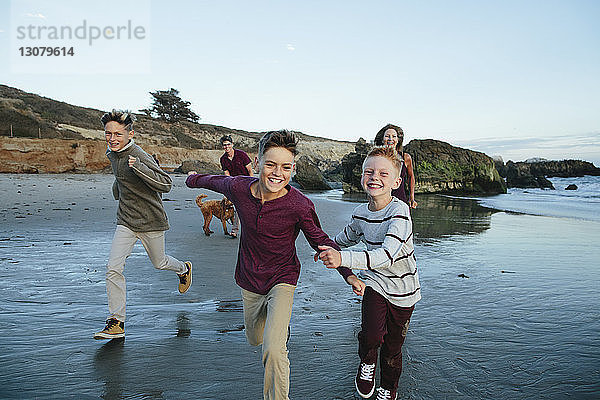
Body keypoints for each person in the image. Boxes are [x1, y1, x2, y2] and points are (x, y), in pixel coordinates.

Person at [186, 130, 365, 400]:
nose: (277, 173)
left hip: (283, 277)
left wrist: (348, 274)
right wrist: (192, 180)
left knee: (272, 348)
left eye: (285, 167)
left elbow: (321, 239)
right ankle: (277, 329)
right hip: (249, 278)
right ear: (257, 164)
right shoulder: (239, 188)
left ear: (293, 168)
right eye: (270, 164)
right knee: (255, 339)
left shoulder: (299, 205)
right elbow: (212, 181)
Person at [317, 146, 421, 400]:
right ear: (362, 177)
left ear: (397, 182)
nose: (375, 177)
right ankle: (367, 362)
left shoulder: (400, 213)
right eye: (369, 171)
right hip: (375, 282)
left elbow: (386, 256)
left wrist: (343, 258)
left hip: (404, 289)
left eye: (384, 173)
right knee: (372, 335)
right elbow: (344, 238)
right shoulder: (361, 213)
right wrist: (328, 247)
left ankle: (388, 386)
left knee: (393, 347)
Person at [94, 110, 192, 340]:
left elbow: (166, 184)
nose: (112, 138)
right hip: (126, 221)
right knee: (113, 268)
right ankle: (116, 322)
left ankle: (184, 269)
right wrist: (117, 190)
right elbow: (121, 178)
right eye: (108, 133)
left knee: (160, 262)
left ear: (130, 133)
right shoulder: (112, 153)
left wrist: (138, 167)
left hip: (151, 221)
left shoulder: (138, 155)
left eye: (118, 134)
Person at [374, 124, 417, 208]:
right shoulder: (377, 157)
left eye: (394, 136)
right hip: (380, 200)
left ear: (398, 140)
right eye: (387, 136)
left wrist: (412, 197)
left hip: (400, 201)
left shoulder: (405, 157)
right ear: (383, 139)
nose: (390, 139)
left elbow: (411, 177)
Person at [219, 134, 253, 238]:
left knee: (250, 207)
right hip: (235, 185)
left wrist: (252, 185)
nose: (227, 147)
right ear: (222, 146)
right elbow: (227, 174)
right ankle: (235, 230)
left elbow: (250, 170)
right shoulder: (223, 159)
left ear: (232, 144)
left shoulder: (241, 154)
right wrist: (228, 189)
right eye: (224, 145)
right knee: (239, 207)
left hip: (248, 183)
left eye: (228, 144)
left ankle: (252, 229)